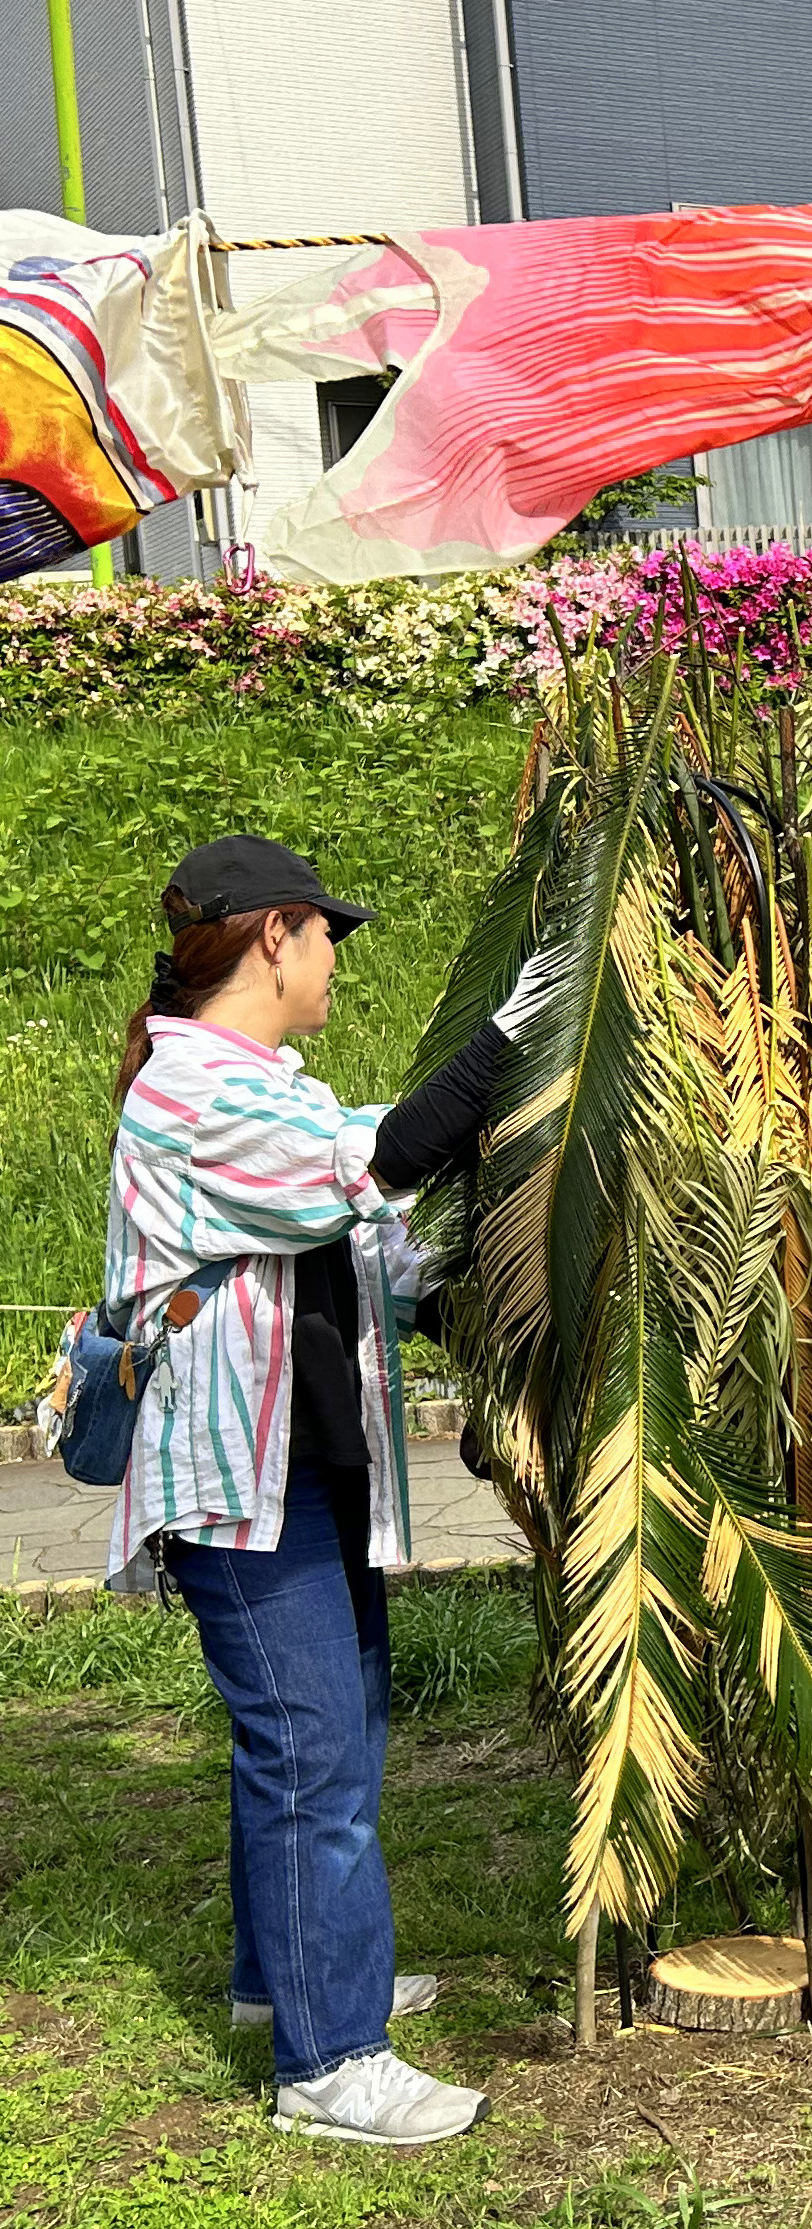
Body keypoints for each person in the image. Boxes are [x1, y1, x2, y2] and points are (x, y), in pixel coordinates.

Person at [108, 837, 531, 2146]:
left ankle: (283, 1981)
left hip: (314, 1466)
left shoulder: (270, 1090)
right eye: (327, 934)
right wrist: (518, 1028)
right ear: (271, 935)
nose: (338, 959)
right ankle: (330, 2060)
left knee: (330, 1736)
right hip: (245, 1487)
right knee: (312, 1762)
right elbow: (374, 1163)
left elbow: (374, 1243)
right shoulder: (189, 1092)